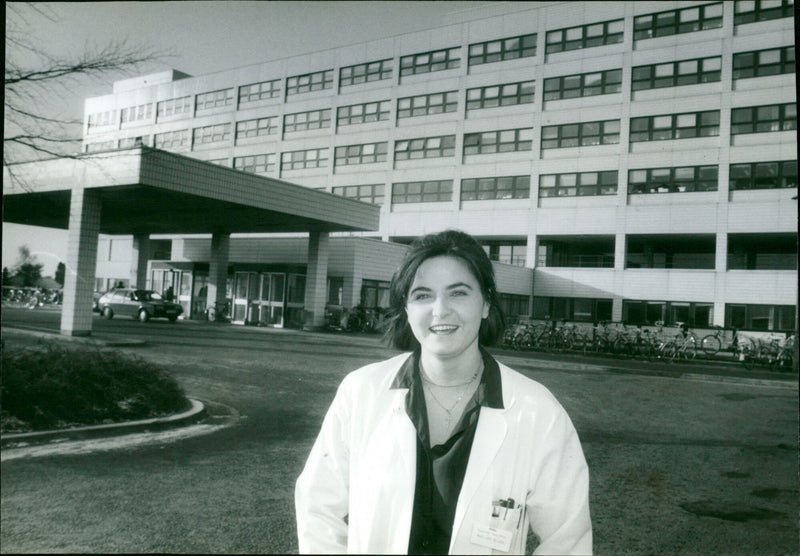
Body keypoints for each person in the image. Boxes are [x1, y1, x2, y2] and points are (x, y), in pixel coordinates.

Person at [296, 230, 592, 555]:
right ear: (406, 309)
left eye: (458, 293)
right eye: (423, 295)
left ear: (486, 304)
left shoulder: (538, 412)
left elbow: (568, 539)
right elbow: (317, 505)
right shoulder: (361, 392)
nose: (440, 310)